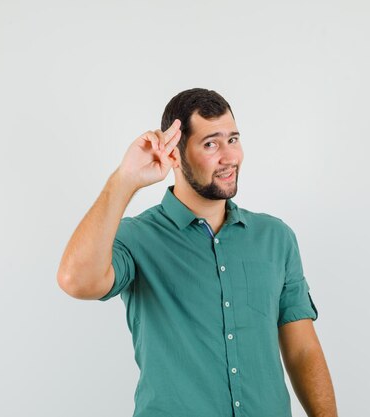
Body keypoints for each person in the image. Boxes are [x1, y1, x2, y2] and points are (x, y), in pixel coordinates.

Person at [57, 88, 338, 417]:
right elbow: (75, 280)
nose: (229, 157)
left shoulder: (276, 238)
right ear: (174, 154)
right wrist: (125, 180)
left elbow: (303, 350)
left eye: (233, 139)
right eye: (211, 144)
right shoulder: (136, 238)